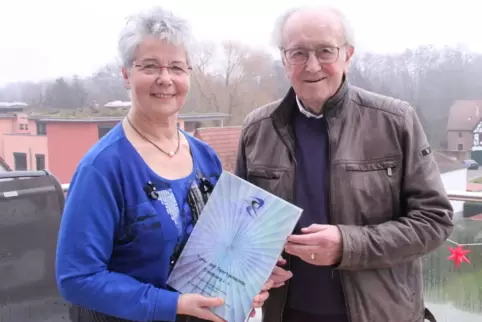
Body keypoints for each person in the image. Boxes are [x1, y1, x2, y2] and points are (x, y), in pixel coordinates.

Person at [235, 5, 453, 322]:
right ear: (284, 59)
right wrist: (253, 266)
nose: (312, 66)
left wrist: (348, 246)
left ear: (347, 56)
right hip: (287, 313)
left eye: (325, 51)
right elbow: (241, 227)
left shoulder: (394, 121)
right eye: (298, 53)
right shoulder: (257, 130)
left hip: (380, 314)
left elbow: (435, 221)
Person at [56, 6, 273, 322]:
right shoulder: (103, 168)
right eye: (150, 66)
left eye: (176, 67)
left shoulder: (205, 157)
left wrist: (250, 279)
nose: (165, 78)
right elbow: (76, 278)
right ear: (126, 74)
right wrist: (173, 305)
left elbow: (220, 249)